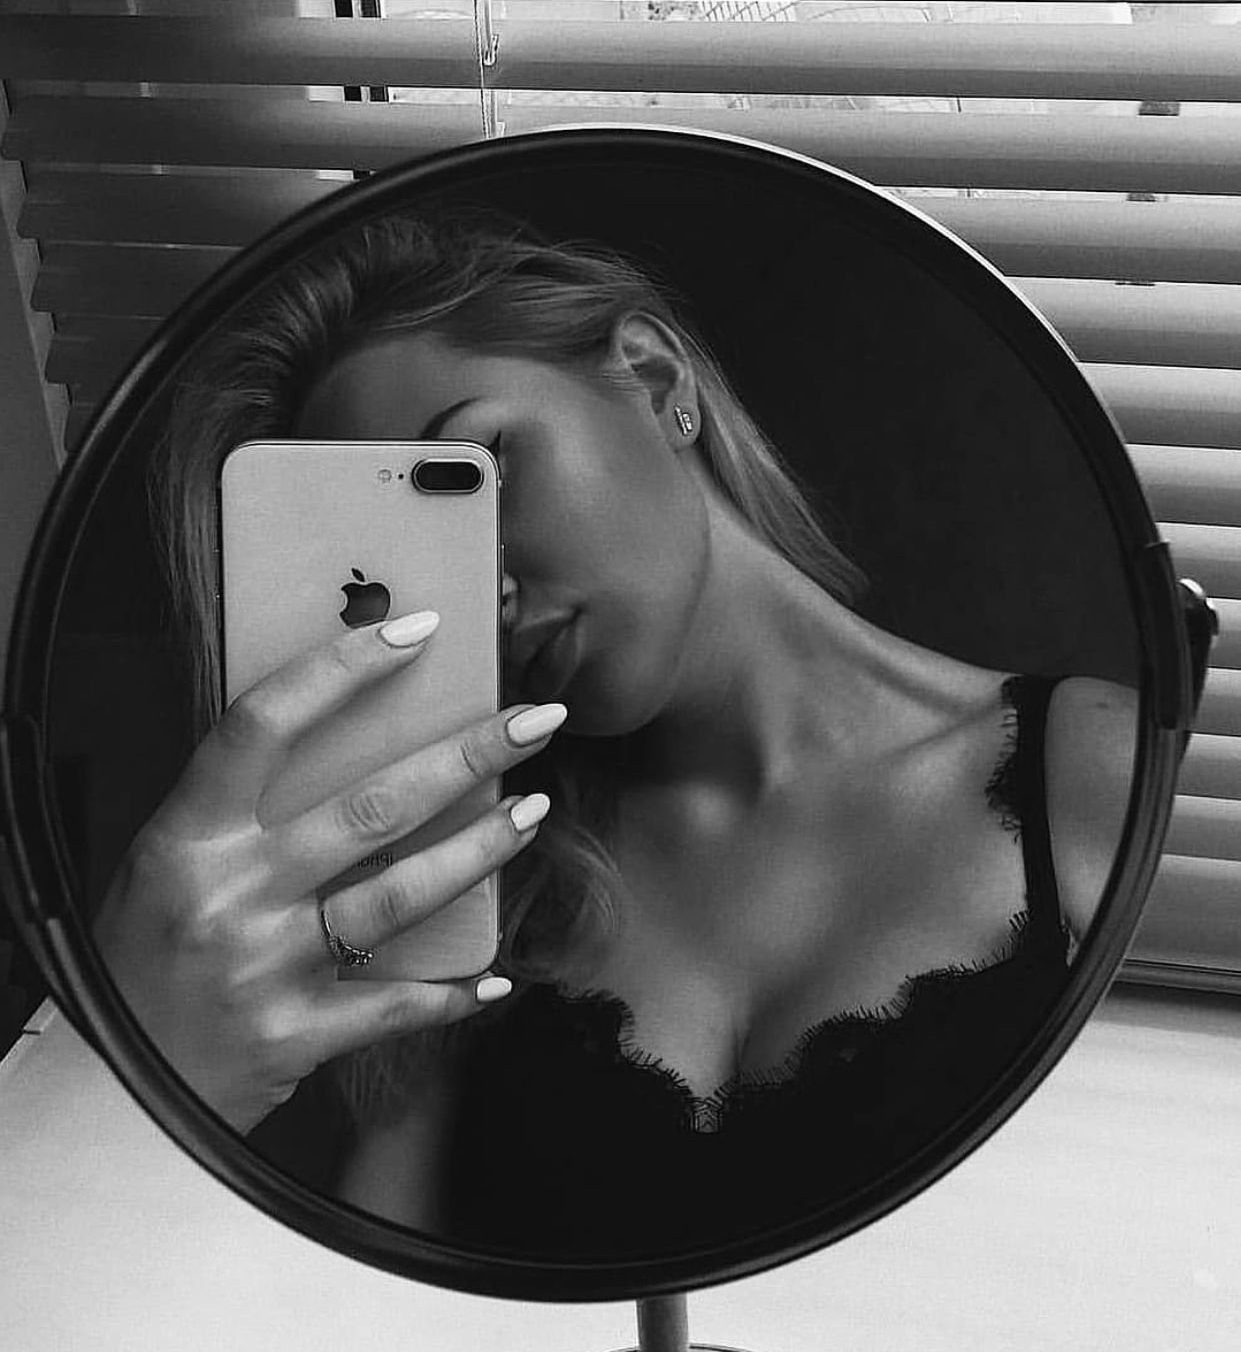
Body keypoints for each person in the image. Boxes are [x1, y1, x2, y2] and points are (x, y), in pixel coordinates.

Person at [96, 209, 1136, 1255]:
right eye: (417, 557)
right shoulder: (477, 899)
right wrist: (155, 1083)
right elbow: (368, 1309)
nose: (484, 592)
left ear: (651, 377)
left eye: (479, 469)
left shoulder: (1094, 773)